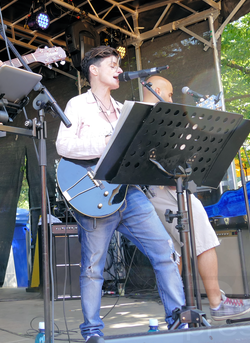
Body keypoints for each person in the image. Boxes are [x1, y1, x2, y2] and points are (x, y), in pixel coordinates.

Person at [56, 46, 185, 342]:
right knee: (93, 268)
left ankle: (179, 322)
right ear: (94, 70)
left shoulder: (124, 107)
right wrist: (107, 140)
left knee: (165, 252)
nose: (118, 70)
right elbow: (64, 146)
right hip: (94, 193)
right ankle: (91, 332)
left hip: (129, 193)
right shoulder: (78, 105)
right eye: (112, 65)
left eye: (118, 65)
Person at [141, 75, 250, 320]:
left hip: (155, 191)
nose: (171, 98)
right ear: (158, 89)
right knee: (203, 240)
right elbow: (176, 152)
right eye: (170, 93)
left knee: (175, 251)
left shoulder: (141, 116)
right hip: (168, 190)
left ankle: (177, 310)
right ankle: (216, 303)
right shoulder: (158, 114)